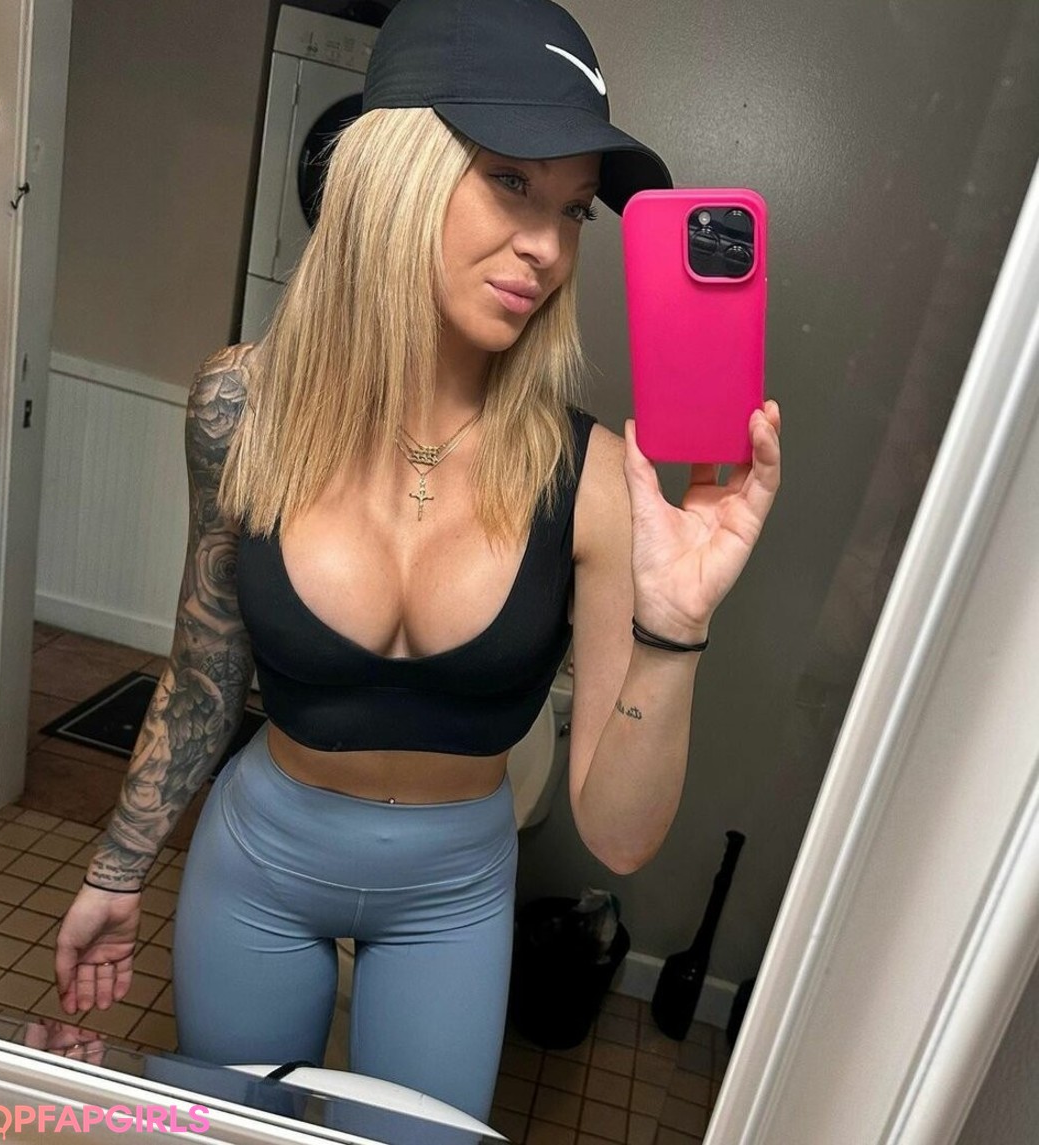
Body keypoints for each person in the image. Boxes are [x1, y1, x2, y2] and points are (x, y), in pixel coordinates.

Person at [54, 0, 781, 1122]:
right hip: (260, 855)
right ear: (393, 171)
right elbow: (205, 672)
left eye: (573, 208)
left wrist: (675, 626)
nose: (548, 247)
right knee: (241, 1130)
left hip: (454, 892)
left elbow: (620, 834)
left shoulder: (592, 476)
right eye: (509, 181)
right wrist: (118, 865)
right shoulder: (241, 408)